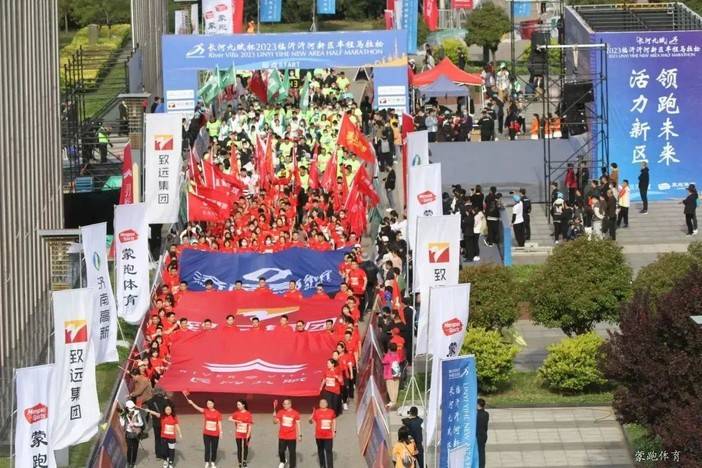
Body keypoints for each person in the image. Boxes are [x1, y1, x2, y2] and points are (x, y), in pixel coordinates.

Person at [185, 396, 222, 468]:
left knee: (214, 448)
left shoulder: (218, 413)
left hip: (215, 434)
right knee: (207, 448)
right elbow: (197, 408)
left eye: (210, 403)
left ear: (213, 404)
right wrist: (192, 403)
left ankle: (213, 462)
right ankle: (207, 462)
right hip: (206, 434)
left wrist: (221, 432)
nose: (209, 405)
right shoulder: (205, 411)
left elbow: (219, 423)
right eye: (208, 404)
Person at [146, 388, 174, 461]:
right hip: (165, 422)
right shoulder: (165, 401)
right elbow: (171, 409)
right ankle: (165, 454)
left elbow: (149, 411)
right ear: (162, 393)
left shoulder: (150, 401)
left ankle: (158, 455)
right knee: (165, 439)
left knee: (157, 439)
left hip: (156, 423)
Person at [274, 399, 302, 468]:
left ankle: (292, 466)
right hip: (282, 435)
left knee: (292, 452)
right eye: (284, 404)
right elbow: (275, 422)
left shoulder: (295, 413)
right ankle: (283, 461)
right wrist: (274, 417)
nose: (285, 405)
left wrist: (300, 435)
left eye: (287, 404)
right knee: (281, 451)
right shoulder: (280, 412)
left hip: (291, 436)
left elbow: (298, 424)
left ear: (290, 404)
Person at [309, 398, 336, 468]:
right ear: (319, 404)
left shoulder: (331, 411)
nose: (323, 404)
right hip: (319, 435)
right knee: (320, 451)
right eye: (321, 403)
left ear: (327, 404)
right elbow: (311, 422)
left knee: (329, 451)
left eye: (324, 402)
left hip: (328, 435)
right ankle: (322, 465)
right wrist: (310, 418)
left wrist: (334, 431)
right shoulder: (316, 412)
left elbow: (334, 420)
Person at [230, 399, 253, 467]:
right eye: (237, 405)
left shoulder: (248, 414)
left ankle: (244, 461)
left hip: (246, 434)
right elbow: (229, 418)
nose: (238, 406)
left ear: (243, 405)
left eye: (239, 405)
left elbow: (250, 425)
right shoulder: (236, 413)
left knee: (245, 447)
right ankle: (240, 462)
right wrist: (236, 421)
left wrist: (248, 434)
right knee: (239, 448)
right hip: (238, 434)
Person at [122, 400, 144, 468]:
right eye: (130, 408)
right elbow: (122, 424)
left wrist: (134, 424)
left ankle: (133, 463)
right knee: (129, 449)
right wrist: (125, 422)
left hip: (136, 433)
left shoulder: (137, 413)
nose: (132, 410)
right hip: (129, 434)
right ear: (127, 408)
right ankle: (129, 462)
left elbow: (141, 423)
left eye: (133, 408)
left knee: (135, 449)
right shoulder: (123, 414)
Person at [382, 342, 402, 409]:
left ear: (389, 349)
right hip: (396, 374)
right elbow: (399, 361)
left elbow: (383, 362)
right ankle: (394, 402)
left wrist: (386, 354)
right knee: (395, 389)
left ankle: (392, 403)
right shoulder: (397, 355)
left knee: (390, 389)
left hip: (389, 375)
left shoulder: (388, 355)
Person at [477, 398, 490, 468]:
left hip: (477, 435)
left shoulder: (475, 414)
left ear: (477, 405)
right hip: (483, 435)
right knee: (482, 452)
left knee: (477, 451)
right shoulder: (486, 414)